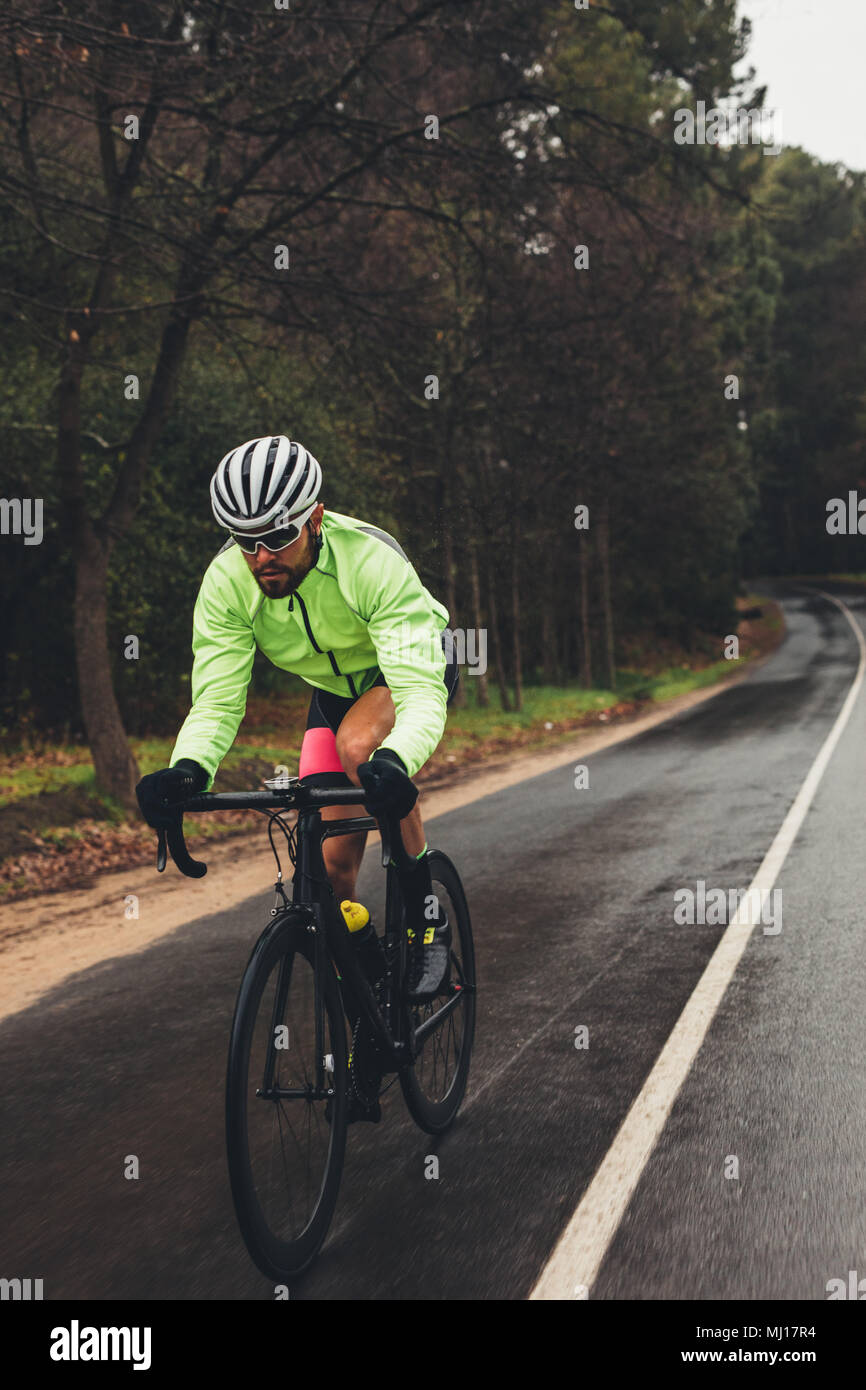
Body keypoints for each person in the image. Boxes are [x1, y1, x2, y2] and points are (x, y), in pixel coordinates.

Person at [136, 434, 458, 1002]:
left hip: (408, 668)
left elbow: (417, 690)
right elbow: (217, 698)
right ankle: (366, 981)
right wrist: (187, 770)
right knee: (330, 872)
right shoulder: (228, 584)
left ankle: (425, 915)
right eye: (246, 541)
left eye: (279, 537)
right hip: (332, 692)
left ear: (315, 519)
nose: (262, 557)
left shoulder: (370, 560)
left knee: (360, 748)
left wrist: (396, 760)